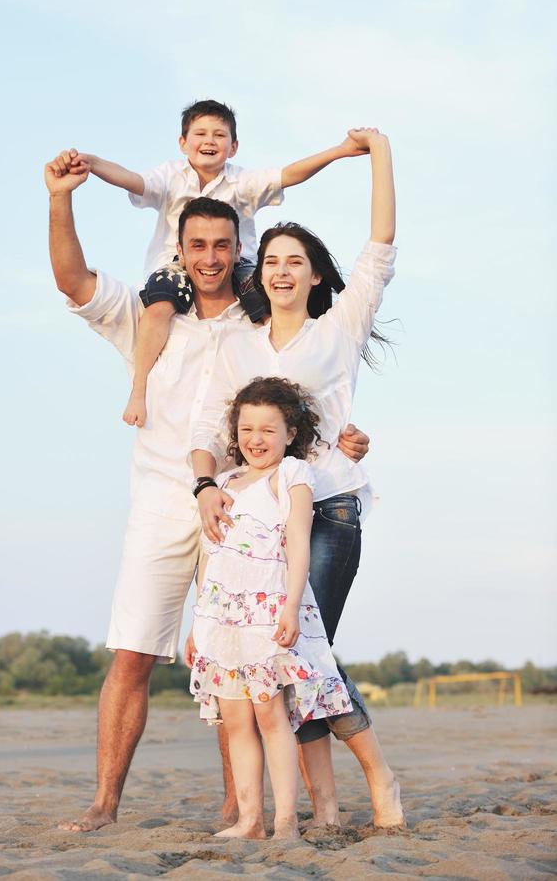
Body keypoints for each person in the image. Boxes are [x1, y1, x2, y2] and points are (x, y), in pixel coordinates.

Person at [44, 158, 370, 833]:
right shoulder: (149, 319)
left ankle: (239, 808)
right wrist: (59, 202)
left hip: (246, 510)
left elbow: (316, 391)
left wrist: (347, 440)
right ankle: (105, 804)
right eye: (198, 246)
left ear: (239, 250)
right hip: (164, 501)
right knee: (132, 651)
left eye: (224, 245)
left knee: (246, 665)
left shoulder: (259, 328)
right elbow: (73, 281)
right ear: (181, 251)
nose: (211, 257)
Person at [191, 127, 405, 828]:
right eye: (273, 261)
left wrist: (377, 154)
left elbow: (380, 249)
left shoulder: (338, 329)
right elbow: (209, 437)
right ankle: (327, 808)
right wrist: (207, 484)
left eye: (296, 261)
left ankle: (377, 780)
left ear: (315, 274)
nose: (282, 270)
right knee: (293, 664)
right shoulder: (236, 343)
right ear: (261, 276)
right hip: (258, 525)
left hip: (330, 508)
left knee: (304, 655)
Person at [53, 98, 369, 428]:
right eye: (200, 134)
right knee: (158, 309)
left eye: (219, 135)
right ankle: (139, 387)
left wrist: (340, 150)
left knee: (266, 318)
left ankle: (283, 384)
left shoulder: (241, 182)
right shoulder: (170, 176)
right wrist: (93, 163)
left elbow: (289, 174)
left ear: (233, 147)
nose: (209, 141)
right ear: (183, 143)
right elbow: (132, 180)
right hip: (177, 266)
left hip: (238, 265)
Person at [186, 377, 354, 840]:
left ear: (290, 434)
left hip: (267, 614)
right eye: (246, 430)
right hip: (222, 622)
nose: (255, 440)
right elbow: (210, 557)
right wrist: (197, 625)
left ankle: (285, 822)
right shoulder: (221, 483)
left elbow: (298, 545)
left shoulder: (292, 476)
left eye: (267, 430)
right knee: (236, 721)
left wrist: (292, 607)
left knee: (270, 716)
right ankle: (250, 820)